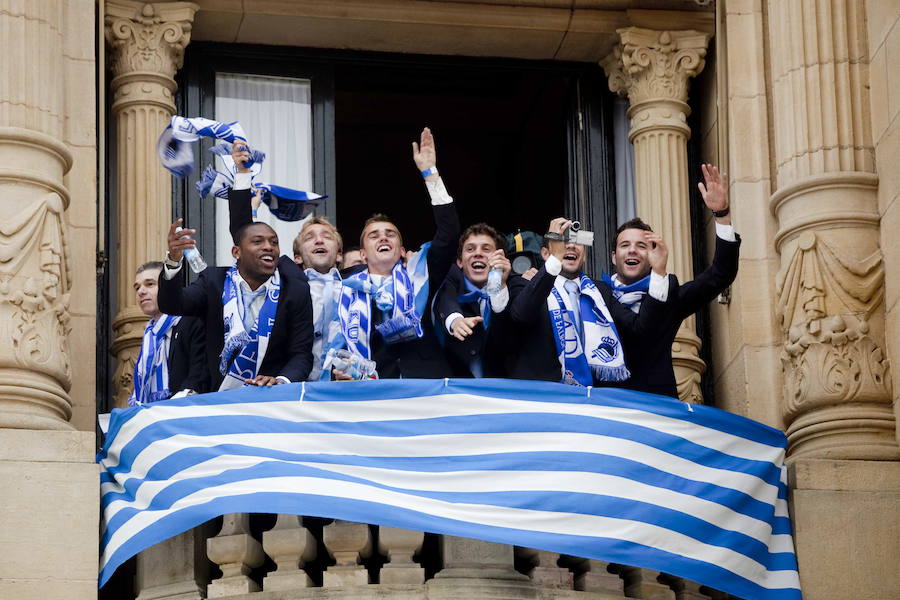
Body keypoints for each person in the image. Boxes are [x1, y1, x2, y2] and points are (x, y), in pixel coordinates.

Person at [605, 163, 740, 398]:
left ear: (652, 255)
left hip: (658, 413)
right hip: (608, 416)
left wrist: (721, 214)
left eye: (642, 246)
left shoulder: (670, 297)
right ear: (614, 257)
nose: (633, 251)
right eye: (625, 245)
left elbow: (721, 273)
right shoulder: (595, 295)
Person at [338, 127, 460, 378]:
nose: (383, 237)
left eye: (390, 234)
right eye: (374, 235)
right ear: (362, 255)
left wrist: (430, 174)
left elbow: (449, 234)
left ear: (402, 250)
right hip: (375, 386)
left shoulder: (421, 275)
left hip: (426, 383)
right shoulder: (346, 290)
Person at [507, 217, 675, 386]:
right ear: (545, 253)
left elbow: (640, 331)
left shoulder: (602, 291)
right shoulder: (527, 283)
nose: (571, 245)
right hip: (548, 399)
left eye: (577, 241)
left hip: (593, 402)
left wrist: (659, 273)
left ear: (584, 255)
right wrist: (555, 261)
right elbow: (521, 314)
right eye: (564, 241)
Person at [229, 141, 346, 381]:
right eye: (310, 238)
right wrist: (243, 177)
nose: (319, 241)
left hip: (345, 391)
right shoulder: (284, 284)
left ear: (340, 253)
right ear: (297, 257)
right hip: (294, 389)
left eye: (327, 237)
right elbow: (246, 242)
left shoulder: (359, 285)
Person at [157, 214, 314, 390]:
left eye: (274, 242)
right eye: (258, 242)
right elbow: (172, 304)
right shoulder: (213, 282)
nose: (269, 247)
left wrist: (282, 381)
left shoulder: (295, 290)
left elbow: (301, 353)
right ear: (236, 252)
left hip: (271, 398)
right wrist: (173, 260)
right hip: (220, 398)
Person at [434, 223, 514, 377]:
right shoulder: (450, 277)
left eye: (486, 249)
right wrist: (455, 321)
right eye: (470, 249)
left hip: (501, 387)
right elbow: (446, 297)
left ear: (500, 258)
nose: (478, 254)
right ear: (459, 262)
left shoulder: (514, 285)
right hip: (456, 387)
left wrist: (499, 285)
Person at [128, 261, 209, 405]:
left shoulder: (192, 321)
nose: (141, 291)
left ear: (167, 288)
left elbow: (199, 376)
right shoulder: (150, 337)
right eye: (137, 287)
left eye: (150, 284)